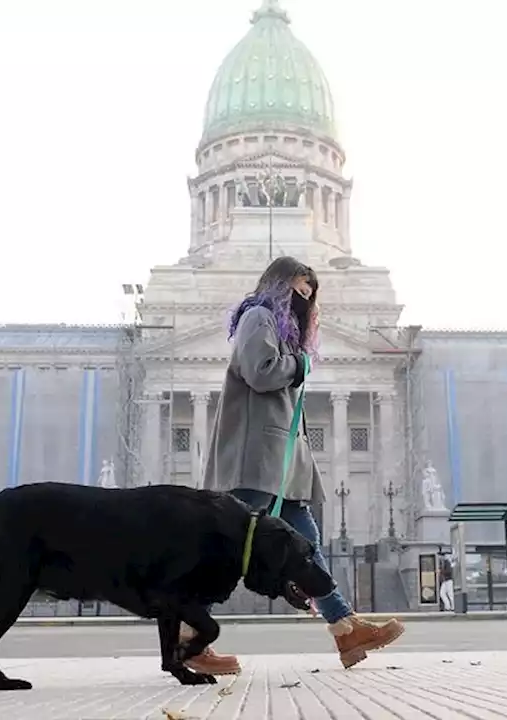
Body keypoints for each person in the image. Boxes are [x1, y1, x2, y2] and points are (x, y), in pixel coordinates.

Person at [191, 256, 405, 676]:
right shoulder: (258, 316)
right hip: (255, 461)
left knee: (307, 548)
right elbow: (261, 372)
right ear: (278, 285)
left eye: (309, 294)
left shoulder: (282, 328)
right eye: (297, 290)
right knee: (221, 553)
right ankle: (188, 640)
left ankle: (345, 629)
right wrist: (301, 364)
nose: (304, 299)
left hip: (284, 468)